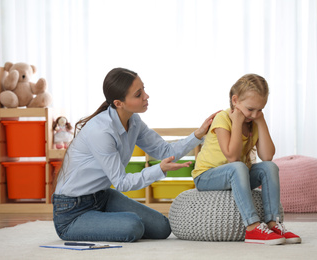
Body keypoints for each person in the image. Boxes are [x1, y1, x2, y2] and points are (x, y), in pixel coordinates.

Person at [52, 67, 217, 242]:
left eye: (143, 89)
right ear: (118, 103)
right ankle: (81, 225)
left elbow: (165, 151)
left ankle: (102, 219)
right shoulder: (101, 131)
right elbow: (121, 182)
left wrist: (198, 134)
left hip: (102, 197)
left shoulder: (133, 121)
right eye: (138, 94)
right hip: (72, 211)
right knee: (133, 226)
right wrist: (159, 170)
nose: (146, 96)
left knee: (162, 227)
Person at [191, 73, 301, 245]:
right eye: (251, 109)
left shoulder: (254, 121)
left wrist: (261, 122)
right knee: (238, 166)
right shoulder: (223, 119)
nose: (254, 114)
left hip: (236, 174)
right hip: (207, 176)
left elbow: (267, 156)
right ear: (235, 101)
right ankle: (252, 227)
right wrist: (236, 123)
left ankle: (273, 223)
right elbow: (232, 157)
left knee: (269, 167)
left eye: (260, 110)